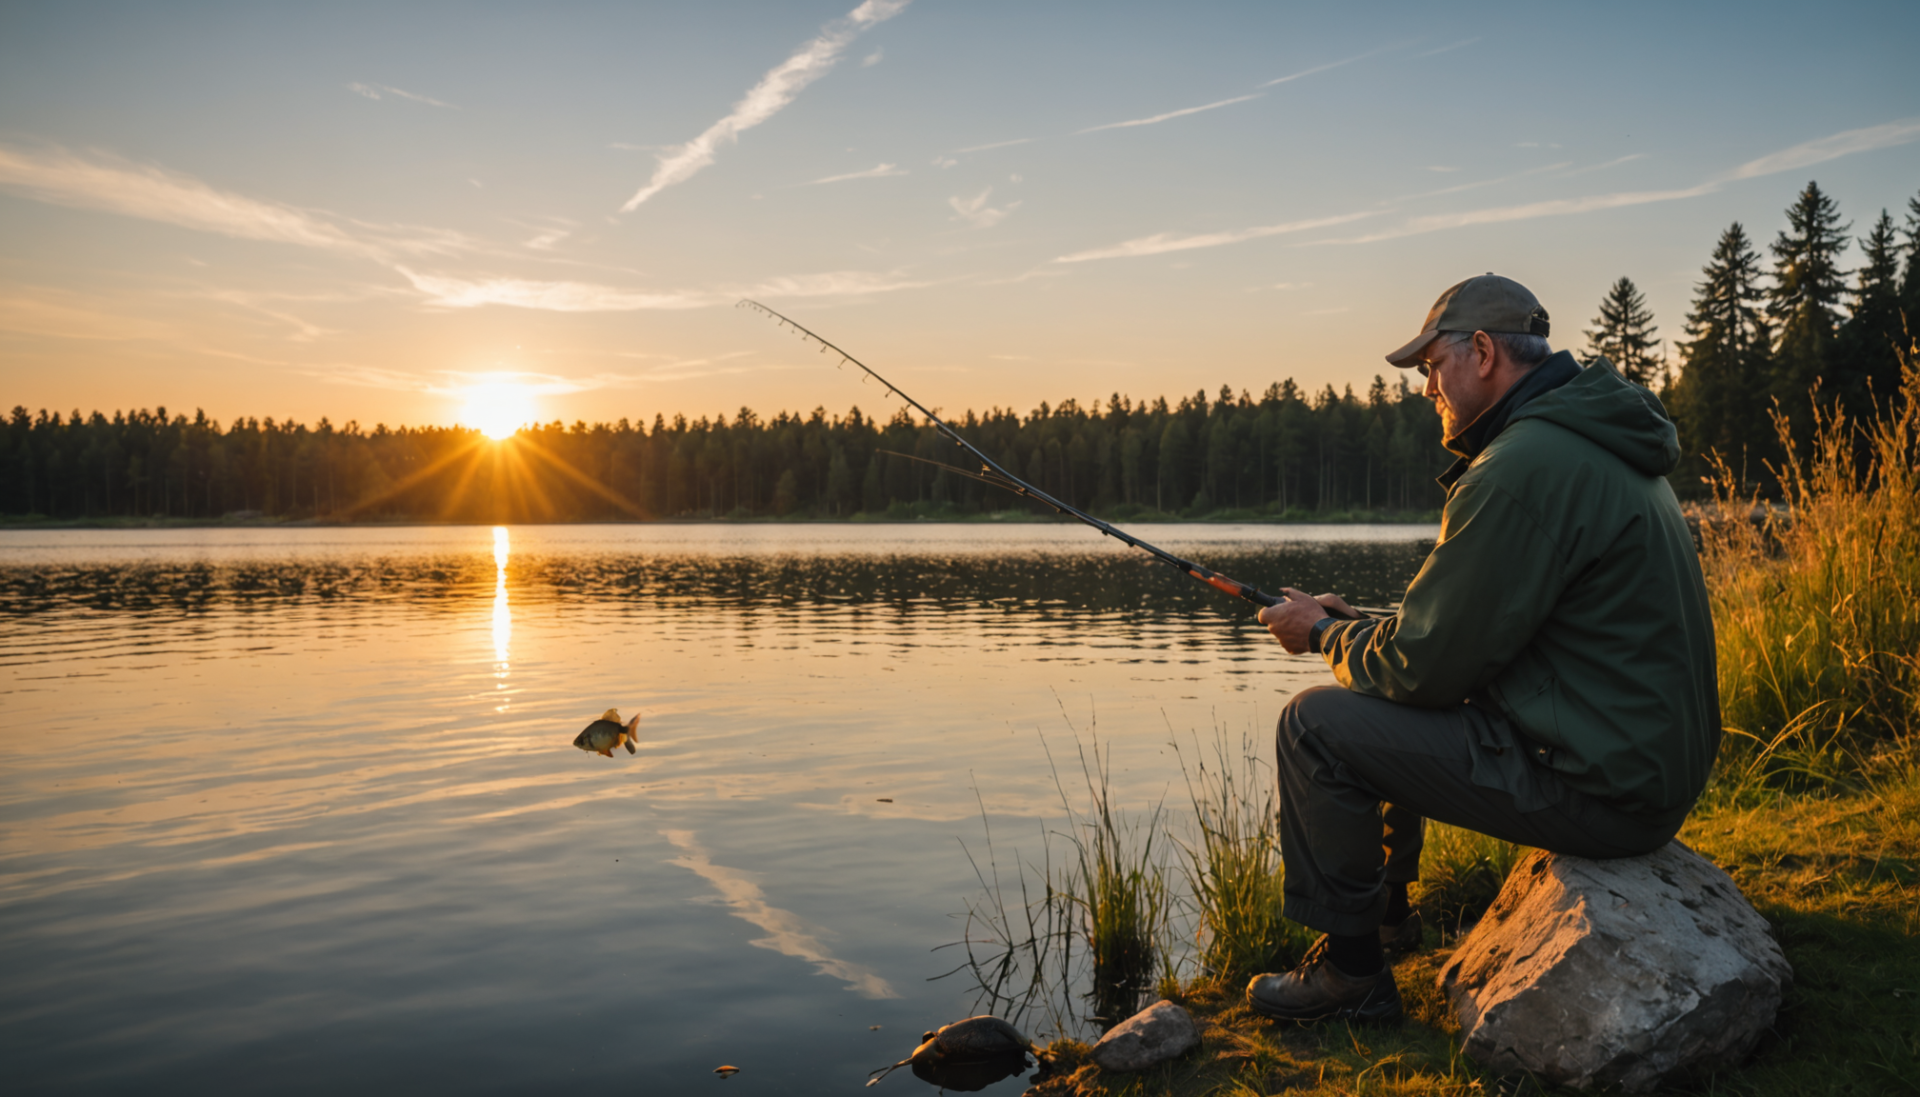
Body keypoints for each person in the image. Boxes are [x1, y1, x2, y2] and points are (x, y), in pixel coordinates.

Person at [1243, 274, 1720, 1024]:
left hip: (1603, 791)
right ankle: (1391, 918)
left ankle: (1352, 974)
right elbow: (1475, 633)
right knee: (1380, 687)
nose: (1426, 386)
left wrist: (1324, 634)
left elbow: (1423, 668)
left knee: (1315, 726)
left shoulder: (1521, 468)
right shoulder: (1588, 440)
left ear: (1486, 353)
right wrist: (1363, 623)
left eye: (1432, 365)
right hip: (1640, 769)